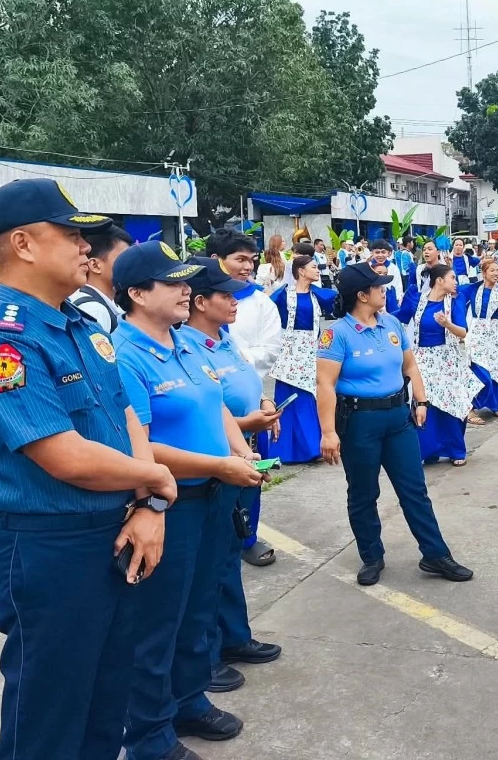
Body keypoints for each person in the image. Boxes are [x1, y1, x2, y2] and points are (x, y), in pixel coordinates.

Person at [0, 179, 177, 760]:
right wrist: (156, 481)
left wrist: (148, 505)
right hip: (50, 549)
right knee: (48, 725)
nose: (86, 247)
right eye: (71, 234)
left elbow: (125, 415)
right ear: (23, 244)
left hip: (116, 530)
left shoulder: (80, 323)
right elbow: (64, 456)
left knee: (104, 710)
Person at [112, 241, 269, 759]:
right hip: (169, 504)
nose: (186, 291)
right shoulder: (125, 354)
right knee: (159, 621)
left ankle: (189, 701)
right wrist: (218, 465)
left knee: (199, 609)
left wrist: (239, 449)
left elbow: (215, 403)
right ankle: (150, 737)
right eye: (173, 283)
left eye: (186, 281)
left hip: (214, 496)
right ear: (137, 294)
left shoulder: (186, 342)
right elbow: (139, 444)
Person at [316, 262, 473, 585]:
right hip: (359, 421)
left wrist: (421, 400)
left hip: (398, 417)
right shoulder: (337, 333)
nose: (384, 290)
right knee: (363, 493)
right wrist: (329, 432)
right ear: (361, 295)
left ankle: (435, 554)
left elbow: (410, 365)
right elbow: (325, 385)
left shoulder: (390, 323)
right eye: (378, 286)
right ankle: (371, 556)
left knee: (414, 489)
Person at [181, 258, 284, 695]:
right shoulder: (186, 345)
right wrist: (247, 426)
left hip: (239, 459)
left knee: (228, 555)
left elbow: (242, 386)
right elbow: (206, 411)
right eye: (225, 295)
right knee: (206, 569)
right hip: (211, 466)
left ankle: (234, 638)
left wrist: (262, 406)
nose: (235, 301)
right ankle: (205, 657)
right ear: (200, 302)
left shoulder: (224, 339)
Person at [205, 228, 282, 566]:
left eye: (252, 260)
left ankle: (247, 537)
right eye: (240, 259)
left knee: (251, 477)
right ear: (215, 260)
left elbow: (270, 351)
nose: (248, 266)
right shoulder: (192, 308)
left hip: (250, 410)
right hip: (214, 419)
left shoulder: (261, 302)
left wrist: (258, 393)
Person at [393, 264, 475, 465]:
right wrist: (376, 314)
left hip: (448, 359)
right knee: (425, 402)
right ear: (439, 280)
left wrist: (447, 324)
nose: (456, 282)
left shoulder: (455, 301)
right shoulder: (417, 299)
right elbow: (401, 317)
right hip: (423, 359)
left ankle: (456, 450)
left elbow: (463, 332)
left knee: (452, 403)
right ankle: (429, 450)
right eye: (452, 278)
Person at [270, 254, 338, 464]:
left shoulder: (317, 294)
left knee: (309, 395)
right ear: (300, 271)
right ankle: (284, 450)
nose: (318, 270)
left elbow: (337, 301)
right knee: (288, 399)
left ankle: (311, 447)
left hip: (310, 350)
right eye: (314, 267)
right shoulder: (283, 294)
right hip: (289, 351)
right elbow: (267, 311)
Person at [464, 257, 498, 418]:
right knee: (479, 368)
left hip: (495, 334)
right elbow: (455, 294)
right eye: (492, 270)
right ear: (484, 273)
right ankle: (470, 407)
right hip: (477, 333)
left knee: (497, 367)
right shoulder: (473, 288)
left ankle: (495, 404)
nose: (496, 273)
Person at [67, 223, 133, 333]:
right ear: (95, 265)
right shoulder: (95, 310)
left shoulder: (107, 305)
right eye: (123, 259)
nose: (131, 265)